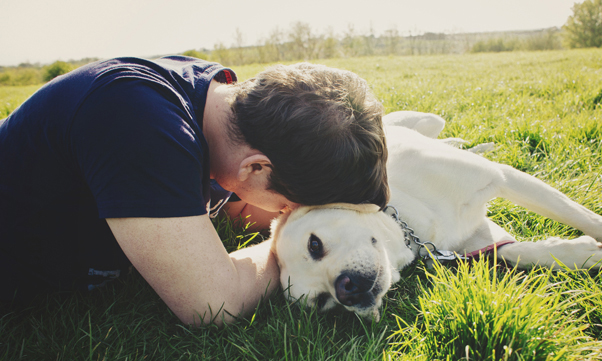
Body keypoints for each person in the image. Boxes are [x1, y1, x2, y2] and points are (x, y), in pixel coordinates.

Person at [0, 56, 388, 325]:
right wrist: (304, 250)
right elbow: (212, 305)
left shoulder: (220, 107)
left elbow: (241, 209)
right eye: (291, 205)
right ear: (255, 166)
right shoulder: (139, 125)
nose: (287, 213)